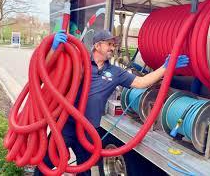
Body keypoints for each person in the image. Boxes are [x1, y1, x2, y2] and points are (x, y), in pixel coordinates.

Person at [34, 30, 189, 176]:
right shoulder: (78, 62)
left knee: (85, 170)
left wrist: (165, 67)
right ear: (97, 45)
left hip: (89, 129)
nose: (112, 48)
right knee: (45, 163)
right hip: (66, 124)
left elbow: (141, 82)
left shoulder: (116, 72)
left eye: (114, 45)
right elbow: (46, 71)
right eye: (109, 44)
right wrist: (54, 49)